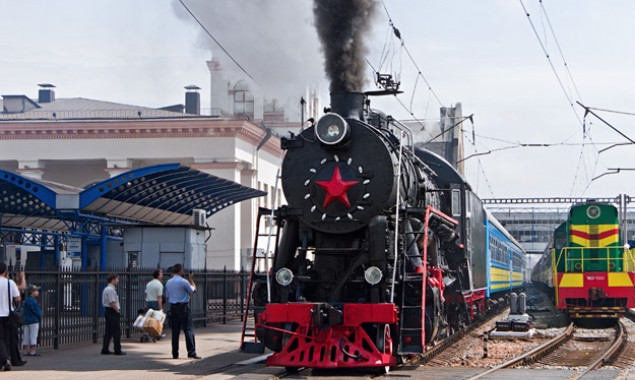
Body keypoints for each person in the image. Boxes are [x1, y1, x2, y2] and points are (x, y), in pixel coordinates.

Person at [165, 264, 200, 359]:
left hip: (173, 307)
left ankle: (175, 353)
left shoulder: (168, 282)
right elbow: (194, 290)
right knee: (188, 329)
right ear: (180, 271)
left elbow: (168, 295)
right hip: (183, 307)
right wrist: (191, 279)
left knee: (175, 331)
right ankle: (191, 352)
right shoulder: (184, 282)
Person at [0, 263, 25, 371]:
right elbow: (18, 298)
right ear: (5, 271)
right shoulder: (10, 283)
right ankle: (6, 359)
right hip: (8, 314)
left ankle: (4, 360)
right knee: (6, 338)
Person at [101, 273, 126, 356]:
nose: (118, 281)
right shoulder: (111, 290)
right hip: (112, 311)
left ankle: (105, 348)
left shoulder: (106, 289)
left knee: (108, 331)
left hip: (108, 311)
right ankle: (117, 349)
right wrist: (117, 310)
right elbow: (112, 302)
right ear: (113, 280)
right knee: (116, 331)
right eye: (117, 279)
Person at [22, 285, 42, 357]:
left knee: (26, 336)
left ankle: (25, 350)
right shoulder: (34, 301)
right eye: (36, 291)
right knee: (33, 335)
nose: (38, 292)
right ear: (32, 292)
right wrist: (40, 316)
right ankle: (33, 351)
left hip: (26, 320)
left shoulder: (26, 301)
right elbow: (38, 312)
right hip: (34, 320)